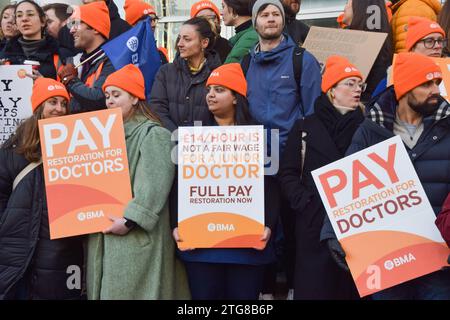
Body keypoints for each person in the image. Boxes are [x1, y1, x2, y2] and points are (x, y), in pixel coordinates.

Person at [321, 52, 450, 300]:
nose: (435, 89)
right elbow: (346, 185)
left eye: (437, 82)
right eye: (426, 83)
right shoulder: (370, 131)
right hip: (389, 258)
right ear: (404, 89)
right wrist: (332, 234)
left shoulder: (447, 126)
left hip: (439, 258)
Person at [171, 63, 277, 300]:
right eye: (209, 90)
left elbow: (271, 186)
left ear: (236, 98)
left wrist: (268, 224)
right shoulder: (191, 136)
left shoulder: (259, 136)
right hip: (200, 247)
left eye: (219, 90)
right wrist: (175, 225)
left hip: (247, 247)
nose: (210, 95)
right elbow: (179, 185)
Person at [86, 64, 190, 300]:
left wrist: (130, 220)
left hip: (136, 237)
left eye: (117, 94)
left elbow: (153, 187)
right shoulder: (101, 137)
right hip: (107, 233)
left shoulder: (154, 134)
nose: (110, 101)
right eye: (107, 96)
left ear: (135, 98)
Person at [279, 56, 363, 300]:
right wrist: (304, 202)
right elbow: (288, 173)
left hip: (355, 226)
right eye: (350, 83)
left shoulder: (367, 128)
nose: (357, 89)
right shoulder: (304, 127)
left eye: (360, 84)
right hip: (313, 225)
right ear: (332, 90)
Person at [0, 78, 84, 300]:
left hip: (60, 249)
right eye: (52, 102)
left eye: (63, 103)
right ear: (39, 107)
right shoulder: (14, 148)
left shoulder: (78, 146)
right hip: (15, 248)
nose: (59, 109)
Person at [150, 17, 221, 132]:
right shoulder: (166, 72)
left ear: (204, 42)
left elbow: (224, 114)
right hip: (171, 143)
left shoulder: (219, 74)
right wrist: (179, 136)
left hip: (208, 145)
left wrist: (202, 139)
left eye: (187, 39)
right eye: (179, 38)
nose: (179, 44)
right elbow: (157, 109)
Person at [57, 1, 115, 113]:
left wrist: (70, 80)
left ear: (95, 28)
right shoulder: (74, 61)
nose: (71, 30)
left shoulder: (112, 61)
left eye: (76, 24)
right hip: (76, 127)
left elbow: (99, 99)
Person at [372, 16, 446, 97]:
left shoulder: (447, 72)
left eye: (440, 41)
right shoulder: (392, 79)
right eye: (429, 41)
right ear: (412, 48)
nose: (437, 46)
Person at [342, 0, 393, 102]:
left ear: (360, 8)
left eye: (347, 3)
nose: (344, 8)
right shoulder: (382, 47)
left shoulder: (364, 48)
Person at [0, 0, 62, 79]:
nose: (24, 19)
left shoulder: (60, 54)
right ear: (16, 24)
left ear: (43, 21)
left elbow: (67, 89)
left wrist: (44, 83)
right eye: (19, 16)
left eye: (30, 14)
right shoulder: (4, 55)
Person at [123, 0, 169, 64]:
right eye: (149, 20)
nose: (153, 24)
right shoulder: (122, 56)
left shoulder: (161, 54)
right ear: (134, 25)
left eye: (154, 19)